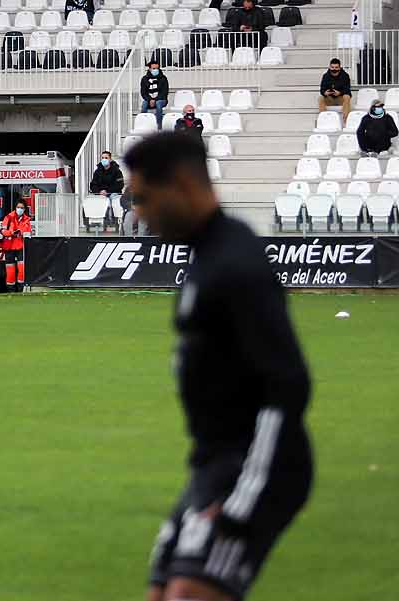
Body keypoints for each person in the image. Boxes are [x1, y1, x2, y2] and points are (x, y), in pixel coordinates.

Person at [121, 131, 312, 601]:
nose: (137, 214)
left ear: (183, 184)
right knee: (163, 591)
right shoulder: (206, 256)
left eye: (143, 198)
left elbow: (287, 385)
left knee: (188, 593)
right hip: (213, 466)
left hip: (256, 467)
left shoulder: (236, 263)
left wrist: (243, 502)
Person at [0, 198, 31, 291]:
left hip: (21, 247)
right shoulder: (8, 217)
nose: (20, 209)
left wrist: (21, 232)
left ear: (24, 209)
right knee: (10, 270)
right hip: (9, 247)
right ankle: (11, 289)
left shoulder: (26, 219)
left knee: (22, 269)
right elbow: (2, 231)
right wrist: (11, 233)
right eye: (18, 207)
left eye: (22, 207)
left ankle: (21, 289)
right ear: (15, 207)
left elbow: (28, 231)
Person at [140, 58, 169, 128]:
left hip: (161, 100)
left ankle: (159, 126)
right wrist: (150, 99)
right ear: (149, 69)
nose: (156, 70)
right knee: (144, 104)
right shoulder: (144, 79)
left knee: (158, 104)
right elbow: (143, 93)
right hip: (149, 100)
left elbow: (164, 92)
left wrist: (155, 100)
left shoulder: (163, 78)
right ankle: (143, 125)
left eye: (157, 68)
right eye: (154, 68)